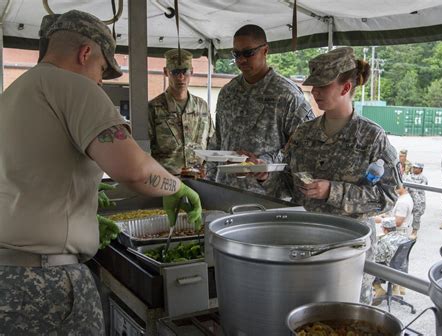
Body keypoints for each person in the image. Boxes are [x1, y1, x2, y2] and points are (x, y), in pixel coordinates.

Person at [0, 10, 202, 335]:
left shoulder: (11, 94)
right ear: (85, 53)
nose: (99, 80)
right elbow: (134, 171)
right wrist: (175, 188)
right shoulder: (74, 87)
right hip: (47, 284)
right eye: (102, 70)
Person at [266, 47, 402, 305]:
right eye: (312, 86)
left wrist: (333, 191)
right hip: (304, 244)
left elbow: (388, 196)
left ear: (345, 87)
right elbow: (286, 185)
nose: (314, 92)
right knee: (301, 311)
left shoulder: (371, 137)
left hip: (349, 250)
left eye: (322, 86)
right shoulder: (303, 134)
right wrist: (265, 176)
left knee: (344, 317)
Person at [207, 24, 314, 194]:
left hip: (267, 195)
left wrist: (264, 162)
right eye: (236, 54)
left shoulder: (287, 95)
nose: (241, 60)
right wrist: (209, 183)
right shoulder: (228, 92)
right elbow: (218, 141)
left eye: (248, 53)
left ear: (265, 50)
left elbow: (305, 148)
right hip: (226, 191)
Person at [148, 48, 214, 175]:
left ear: (192, 72)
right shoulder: (154, 108)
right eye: (175, 72)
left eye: (185, 71)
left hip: (199, 179)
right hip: (167, 181)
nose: (181, 77)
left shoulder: (202, 106)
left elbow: (212, 143)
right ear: (166, 72)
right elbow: (144, 151)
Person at [372, 218, 410, 301]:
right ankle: (396, 287)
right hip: (402, 268)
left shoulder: (384, 240)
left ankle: (378, 289)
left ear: (384, 229)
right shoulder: (405, 237)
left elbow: (378, 258)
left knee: (370, 265)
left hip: (390, 271)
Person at [406, 162, 428, 239]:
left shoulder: (423, 178)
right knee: (404, 214)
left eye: (416, 168)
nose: (414, 169)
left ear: (421, 169)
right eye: (414, 167)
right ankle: (402, 228)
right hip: (409, 199)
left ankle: (414, 230)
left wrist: (411, 186)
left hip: (419, 200)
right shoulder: (408, 177)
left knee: (417, 216)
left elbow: (422, 188)